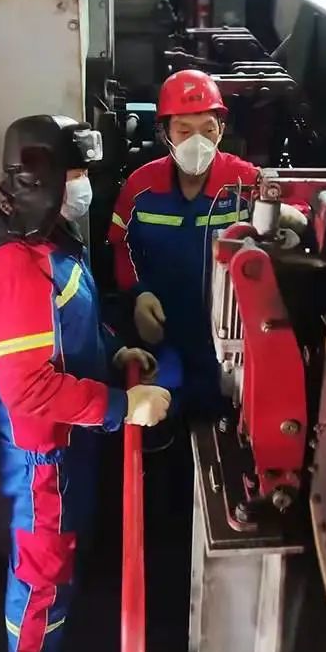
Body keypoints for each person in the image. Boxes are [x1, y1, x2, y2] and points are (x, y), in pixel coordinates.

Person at [0, 114, 171, 652]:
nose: (84, 186)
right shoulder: (16, 265)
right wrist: (121, 405)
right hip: (42, 465)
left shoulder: (54, 243)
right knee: (39, 589)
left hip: (68, 448)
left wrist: (116, 354)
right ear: (42, 178)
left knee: (58, 579)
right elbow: (29, 388)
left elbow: (73, 328)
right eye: (75, 173)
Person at [108, 70, 260, 420]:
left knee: (224, 415)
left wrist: (294, 217)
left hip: (227, 339)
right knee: (162, 414)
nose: (198, 141)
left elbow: (288, 207)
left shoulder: (244, 182)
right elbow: (120, 245)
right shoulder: (141, 188)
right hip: (162, 331)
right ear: (165, 133)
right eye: (184, 130)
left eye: (208, 129)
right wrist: (139, 294)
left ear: (221, 128)